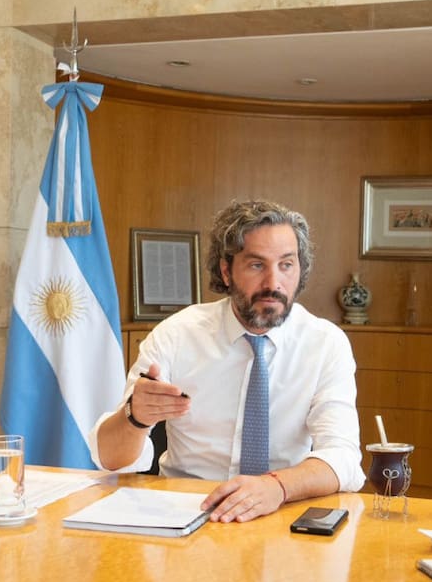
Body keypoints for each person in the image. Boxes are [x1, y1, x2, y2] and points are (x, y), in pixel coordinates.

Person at [89, 200, 363, 522]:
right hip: (187, 511)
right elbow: (110, 459)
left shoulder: (325, 344)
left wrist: (276, 487)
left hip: (282, 510)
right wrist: (135, 418)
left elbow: (343, 458)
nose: (273, 284)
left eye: (286, 265)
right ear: (226, 271)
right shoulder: (176, 335)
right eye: (257, 265)